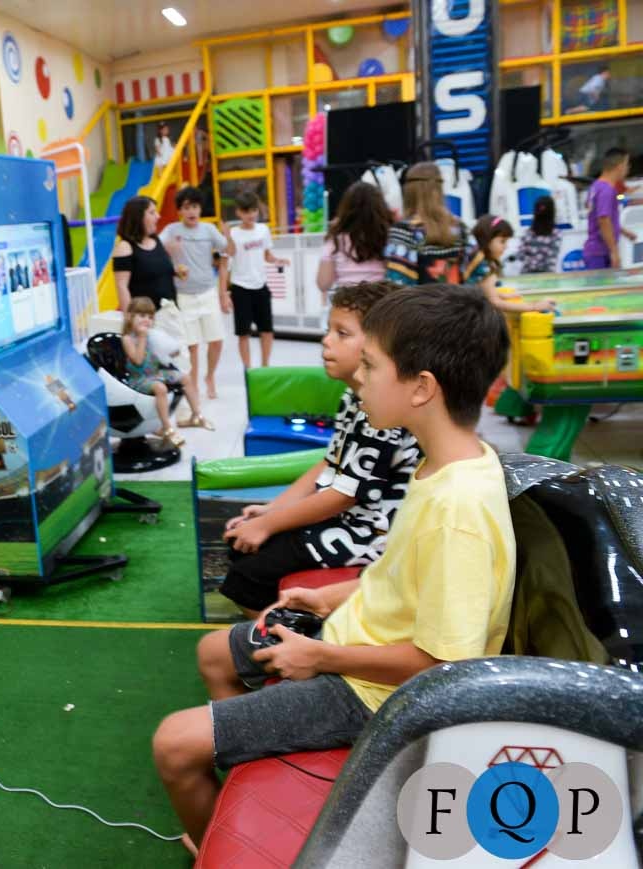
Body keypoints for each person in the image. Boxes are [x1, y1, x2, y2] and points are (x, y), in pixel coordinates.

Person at [152, 283, 515, 853]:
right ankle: (238, 782)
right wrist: (328, 598)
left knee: (174, 743)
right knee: (214, 652)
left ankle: (224, 845)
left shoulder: (458, 509)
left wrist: (319, 657)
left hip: (372, 692)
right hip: (353, 637)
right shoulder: (440, 465)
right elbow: (402, 577)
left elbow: (444, 665)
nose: (359, 378)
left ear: (421, 387)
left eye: (370, 365)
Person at [219, 281, 419, 617]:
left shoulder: (383, 410)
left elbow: (343, 495)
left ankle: (291, 637)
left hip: (371, 533)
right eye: (329, 330)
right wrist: (272, 510)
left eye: (342, 333)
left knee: (247, 578)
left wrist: (270, 524)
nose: (326, 340)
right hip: (347, 519)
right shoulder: (353, 396)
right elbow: (329, 463)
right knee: (240, 548)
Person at [160, 186, 229, 401]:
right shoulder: (172, 230)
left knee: (216, 341)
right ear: (180, 211)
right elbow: (156, 248)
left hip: (208, 292)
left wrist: (223, 293)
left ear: (200, 209)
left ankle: (210, 376)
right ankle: (194, 385)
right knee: (192, 346)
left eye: (195, 207)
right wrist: (169, 250)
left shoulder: (208, 230)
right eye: (187, 207)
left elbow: (226, 249)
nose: (192, 212)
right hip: (184, 296)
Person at [113, 195, 190, 371]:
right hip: (149, 320)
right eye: (152, 212)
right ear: (139, 216)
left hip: (170, 312)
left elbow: (156, 271)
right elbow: (122, 286)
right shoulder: (125, 247)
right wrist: (131, 321)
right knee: (164, 368)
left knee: (181, 365)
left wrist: (176, 271)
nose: (158, 216)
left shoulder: (156, 241)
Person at [120, 297, 210, 448]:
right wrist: (142, 337)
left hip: (155, 373)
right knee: (160, 388)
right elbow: (138, 361)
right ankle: (167, 427)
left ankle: (196, 415)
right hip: (138, 379)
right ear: (130, 316)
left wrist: (171, 350)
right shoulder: (128, 339)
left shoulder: (152, 335)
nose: (147, 320)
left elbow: (164, 355)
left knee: (185, 378)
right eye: (142, 316)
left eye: (150, 317)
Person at [222, 191, 289, 369]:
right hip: (240, 287)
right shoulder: (234, 234)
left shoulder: (263, 230)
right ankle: (248, 369)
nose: (251, 215)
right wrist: (224, 293)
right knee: (243, 333)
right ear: (238, 212)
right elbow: (226, 261)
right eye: (246, 211)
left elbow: (266, 255)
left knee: (267, 330)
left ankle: (265, 366)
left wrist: (277, 260)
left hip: (261, 286)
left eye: (254, 210)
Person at [316, 181, 392, 330]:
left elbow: (323, 283)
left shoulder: (335, 239)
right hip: (380, 307)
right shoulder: (388, 236)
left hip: (347, 307)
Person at [384, 162, 470, 285]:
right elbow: (477, 276)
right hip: (458, 297)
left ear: (408, 191)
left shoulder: (403, 231)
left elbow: (398, 283)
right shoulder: (460, 228)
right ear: (440, 189)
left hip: (422, 298)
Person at [467, 215, 555, 313]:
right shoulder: (484, 266)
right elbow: (495, 303)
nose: (506, 246)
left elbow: (484, 291)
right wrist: (534, 306)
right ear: (487, 240)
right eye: (502, 241)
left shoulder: (479, 258)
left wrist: (502, 295)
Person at [583, 147, 637, 270]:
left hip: (596, 251)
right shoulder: (606, 190)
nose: (628, 169)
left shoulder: (596, 186)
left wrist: (623, 231)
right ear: (620, 166)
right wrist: (614, 251)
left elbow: (601, 218)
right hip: (600, 252)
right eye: (627, 164)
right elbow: (603, 220)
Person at [518, 196, 562, 274]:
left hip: (528, 274)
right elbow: (552, 257)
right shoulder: (556, 233)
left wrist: (531, 260)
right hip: (546, 274)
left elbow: (521, 255)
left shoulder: (528, 233)